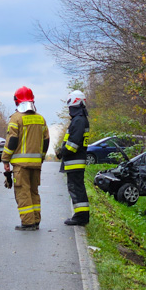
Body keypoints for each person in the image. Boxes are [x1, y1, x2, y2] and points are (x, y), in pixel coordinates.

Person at [2, 86, 49, 231]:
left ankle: (27, 223)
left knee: (23, 193)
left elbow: (12, 141)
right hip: (36, 164)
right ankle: (36, 220)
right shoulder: (41, 118)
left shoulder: (16, 118)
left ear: (17, 101)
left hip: (20, 165)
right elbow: (46, 141)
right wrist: (41, 157)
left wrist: (5, 159)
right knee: (34, 192)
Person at [57, 90, 91, 225]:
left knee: (76, 189)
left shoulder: (78, 120)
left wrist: (62, 152)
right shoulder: (80, 119)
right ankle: (80, 215)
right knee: (77, 188)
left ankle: (81, 217)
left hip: (74, 161)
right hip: (75, 161)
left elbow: (73, 144)